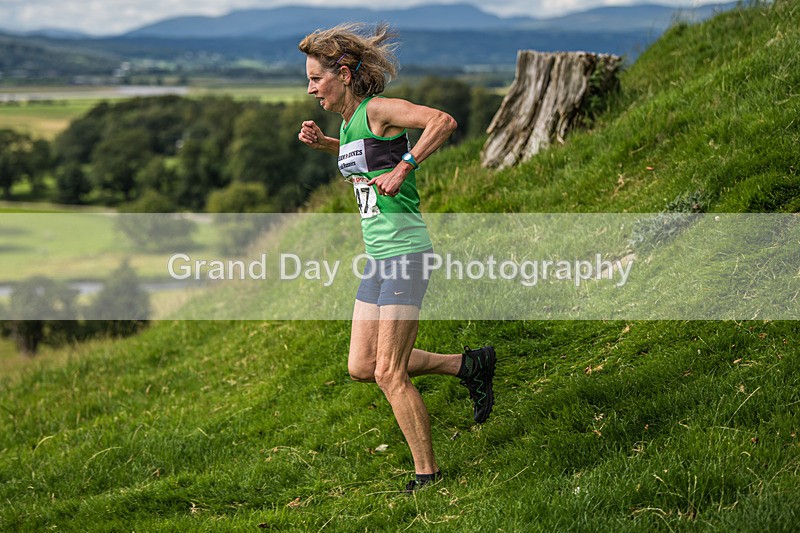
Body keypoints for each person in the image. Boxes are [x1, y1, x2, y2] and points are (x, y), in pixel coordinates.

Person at [297, 22, 496, 493]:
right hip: (378, 259)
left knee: (389, 371)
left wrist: (407, 166)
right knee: (363, 366)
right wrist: (330, 145)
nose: (310, 89)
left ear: (343, 74)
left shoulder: (379, 109)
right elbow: (368, 157)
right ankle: (469, 366)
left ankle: (427, 475)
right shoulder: (349, 122)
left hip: (406, 254)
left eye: (315, 78)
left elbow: (442, 121)